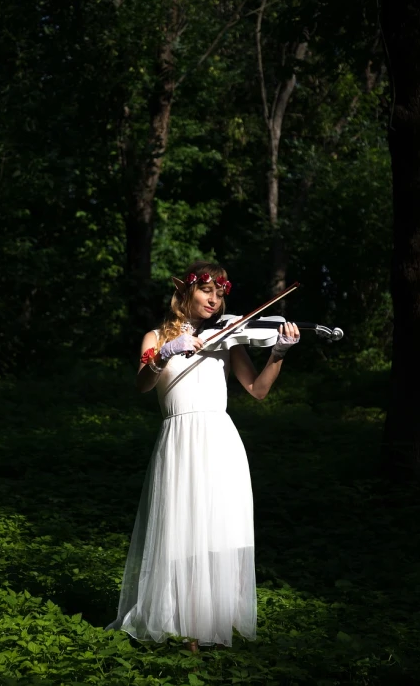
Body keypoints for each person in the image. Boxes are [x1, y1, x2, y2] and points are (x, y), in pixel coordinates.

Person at [105, 261, 299, 651]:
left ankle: (206, 624)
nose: (214, 300)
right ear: (185, 291)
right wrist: (166, 352)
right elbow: (143, 384)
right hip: (179, 439)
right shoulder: (155, 337)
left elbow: (258, 391)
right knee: (181, 533)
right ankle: (180, 627)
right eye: (206, 291)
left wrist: (278, 353)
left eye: (220, 294)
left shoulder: (227, 338)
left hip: (219, 439)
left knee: (216, 532)